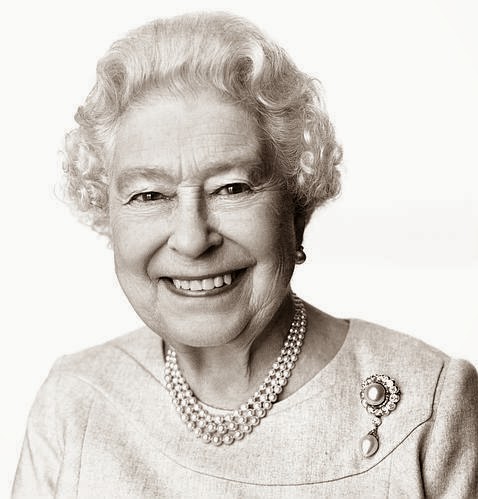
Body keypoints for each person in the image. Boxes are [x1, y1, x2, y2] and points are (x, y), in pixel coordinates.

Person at [12, 11, 477, 498]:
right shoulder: (74, 403)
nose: (192, 239)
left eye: (231, 188)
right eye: (149, 195)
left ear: (297, 207)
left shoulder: (428, 407)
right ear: (108, 216)